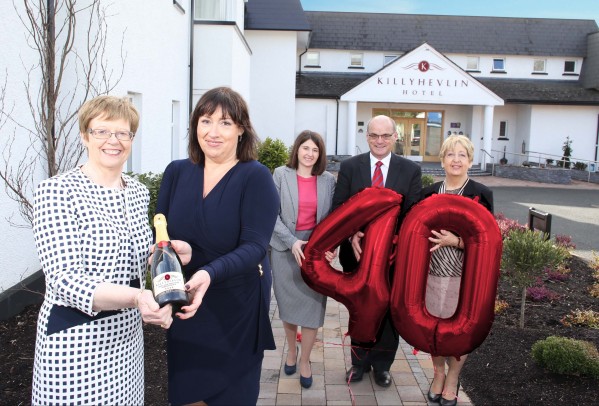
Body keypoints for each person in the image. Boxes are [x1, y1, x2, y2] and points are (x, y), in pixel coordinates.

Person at [31, 95, 182, 404]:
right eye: (102, 131)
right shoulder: (57, 191)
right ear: (85, 135)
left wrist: (161, 256)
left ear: (131, 138)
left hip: (127, 338)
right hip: (75, 342)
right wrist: (138, 297)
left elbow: (131, 260)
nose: (113, 140)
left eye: (122, 132)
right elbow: (64, 279)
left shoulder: (137, 192)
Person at [156, 86, 279, 405]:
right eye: (205, 120)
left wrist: (209, 272)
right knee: (187, 394)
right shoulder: (176, 172)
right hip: (189, 306)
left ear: (241, 129)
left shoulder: (256, 177)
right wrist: (181, 251)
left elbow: (254, 247)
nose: (213, 132)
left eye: (225, 122)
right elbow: (163, 236)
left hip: (235, 310)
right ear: (195, 125)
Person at [331, 115, 422, 387]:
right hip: (356, 255)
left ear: (395, 137)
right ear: (366, 137)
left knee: (388, 311)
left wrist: (388, 243)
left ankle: (382, 366)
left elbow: (412, 215)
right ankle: (358, 363)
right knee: (360, 309)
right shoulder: (349, 167)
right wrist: (351, 232)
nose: (379, 141)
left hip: (393, 259)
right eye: (374, 135)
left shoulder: (410, 171)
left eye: (385, 135)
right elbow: (339, 208)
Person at [421, 134, 493, 406]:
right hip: (431, 274)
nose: (456, 160)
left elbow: (487, 241)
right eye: (450, 154)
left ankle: (453, 377)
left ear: (470, 161)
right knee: (434, 327)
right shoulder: (428, 194)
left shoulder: (481, 194)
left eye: (462, 155)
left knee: (460, 328)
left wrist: (457, 241)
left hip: (465, 276)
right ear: (442, 160)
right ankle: (438, 373)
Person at [270, 130, 336, 389]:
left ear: (320, 155)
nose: (309, 154)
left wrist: (331, 247)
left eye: (315, 150)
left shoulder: (328, 180)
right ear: (296, 149)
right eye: (305, 148)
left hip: (316, 250)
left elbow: (333, 218)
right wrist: (292, 241)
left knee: (313, 307)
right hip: (285, 248)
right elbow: (271, 214)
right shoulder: (280, 175)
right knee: (288, 307)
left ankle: (305, 360)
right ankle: (291, 352)